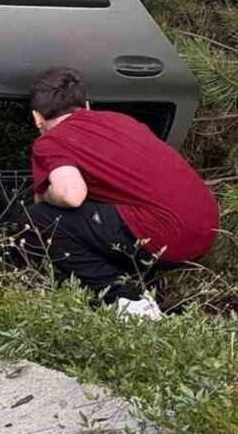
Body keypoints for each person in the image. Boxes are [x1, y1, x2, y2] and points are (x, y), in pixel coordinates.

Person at [18, 67, 219, 318]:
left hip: (163, 235)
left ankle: (127, 299)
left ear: (37, 117)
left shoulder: (52, 140)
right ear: (87, 106)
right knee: (100, 221)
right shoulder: (124, 121)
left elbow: (71, 194)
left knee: (38, 220)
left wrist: (44, 195)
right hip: (205, 232)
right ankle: (149, 292)